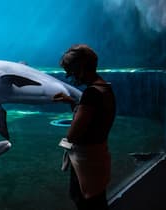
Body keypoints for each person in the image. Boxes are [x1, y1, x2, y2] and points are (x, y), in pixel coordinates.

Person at [53, 44, 116, 210]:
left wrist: (63, 145)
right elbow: (95, 117)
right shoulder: (105, 88)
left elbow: (74, 133)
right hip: (99, 154)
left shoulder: (91, 93)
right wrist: (72, 102)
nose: (68, 75)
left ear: (80, 69)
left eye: (70, 71)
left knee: (85, 201)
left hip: (86, 160)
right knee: (97, 200)